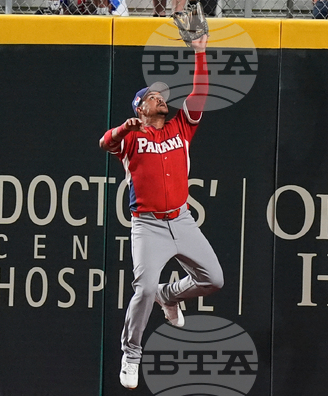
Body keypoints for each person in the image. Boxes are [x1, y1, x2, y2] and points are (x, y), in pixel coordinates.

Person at [99, 35, 221, 391]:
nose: (160, 98)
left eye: (161, 96)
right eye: (152, 97)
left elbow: (200, 94)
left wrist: (200, 52)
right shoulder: (132, 137)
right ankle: (132, 352)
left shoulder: (180, 128)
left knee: (214, 280)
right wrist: (125, 127)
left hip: (181, 220)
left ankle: (171, 296)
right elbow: (105, 142)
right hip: (148, 225)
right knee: (143, 288)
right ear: (140, 108)